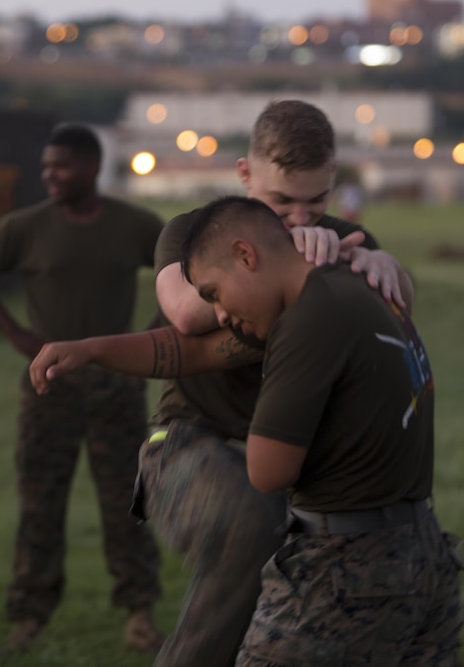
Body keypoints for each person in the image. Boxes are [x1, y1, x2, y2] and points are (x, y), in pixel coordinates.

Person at [30, 101, 414, 667]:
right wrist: (292, 272)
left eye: (316, 201)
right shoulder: (197, 232)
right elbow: (185, 315)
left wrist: (386, 267)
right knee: (250, 529)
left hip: (295, 456)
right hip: (190, 444)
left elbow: (394, 321)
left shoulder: (340, 238)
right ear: (244, 175)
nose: (300, 220)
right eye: (281, 201)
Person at [180, 195, 463, 666]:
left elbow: (267, 470)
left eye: (213, 292)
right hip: (424, 550)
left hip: (346, 569)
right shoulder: (365, 286)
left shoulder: (307, 317)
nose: (222, 314)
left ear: (245, 255)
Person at [0, 124, 165, 653]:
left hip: (117, 388)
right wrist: (20, 334)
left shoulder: (133, 224)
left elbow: (180, 273)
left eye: (61, 166)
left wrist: (151, 335)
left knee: (127, 502)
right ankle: (29, 617)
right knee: (40, 502)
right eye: (45, 166)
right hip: (49, 388)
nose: (48, 175)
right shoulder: (25, 228)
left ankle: (139, 613)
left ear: (92, 167)